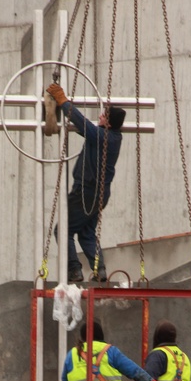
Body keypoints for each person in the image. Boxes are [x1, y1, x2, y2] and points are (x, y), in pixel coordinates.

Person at [46, 82, 126, 284]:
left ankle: (74, 270)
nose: (99, 117)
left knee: (62, 230)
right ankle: (100, 271)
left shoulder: (102, 136)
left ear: (108, 123)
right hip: (97, 195)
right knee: (86, 233)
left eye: (103, 116)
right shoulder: (110, 137)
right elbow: (84, 129)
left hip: (87, 192)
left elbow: (83, 124)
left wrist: (63, 101)